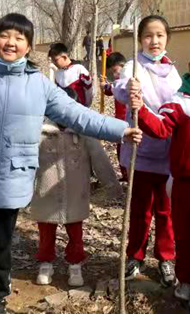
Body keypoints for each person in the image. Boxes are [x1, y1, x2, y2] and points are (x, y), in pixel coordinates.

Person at [0, 13, 142, 314]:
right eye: (5, 35)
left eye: (19, 38)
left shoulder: (39, 84)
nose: (10, 42)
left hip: (10, 183)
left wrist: (120, 130)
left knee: (0, 250)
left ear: (28, 46)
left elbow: (78, 114)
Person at [130, 42, 190, 310]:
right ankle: (184, 280)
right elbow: (161, 129)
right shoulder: (179, 101)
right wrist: (140, 108)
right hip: (183, 184)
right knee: (183, 237)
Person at [114, 15, 182, 287]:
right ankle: (135, 255)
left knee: (166, 211)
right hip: (141, 150)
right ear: (140, 39)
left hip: (168, 153)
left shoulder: (172, 69)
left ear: (167, 39)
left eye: (160, 36)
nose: (154, 41)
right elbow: (120, 88)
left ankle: (166, 257)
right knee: (141, 210)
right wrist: (128, 87)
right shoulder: (133, 65)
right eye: (148, 36)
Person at [31, 87, 121, 288]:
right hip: (45, 192)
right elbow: (27, 159)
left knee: (75, 233)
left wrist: (111, 185)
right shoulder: (39, 131)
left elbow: (99, 159)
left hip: (75, 192)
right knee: (46, 232)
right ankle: (45, 263)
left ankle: (75, 264)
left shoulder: (85, 133)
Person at [100, 51, 128, 181]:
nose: (116, 75)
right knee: (120, 148)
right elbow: (110, 91)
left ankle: (130, 174)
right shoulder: (117, 82)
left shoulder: (129, 81)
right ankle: (124, 174)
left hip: (129, 121)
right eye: (114, 72)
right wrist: (105, 86)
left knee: (129, 150)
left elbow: (115, 89)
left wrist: (107, 86)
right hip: (119, 121)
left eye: (118, 71)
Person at [48, 43, 94, 107]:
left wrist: (86, 107)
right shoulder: (57, 74)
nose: (54, 63)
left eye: (55, 60)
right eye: (52, 61)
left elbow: (89, 91)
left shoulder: (79, 69)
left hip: (80, 111)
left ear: (64, 57)